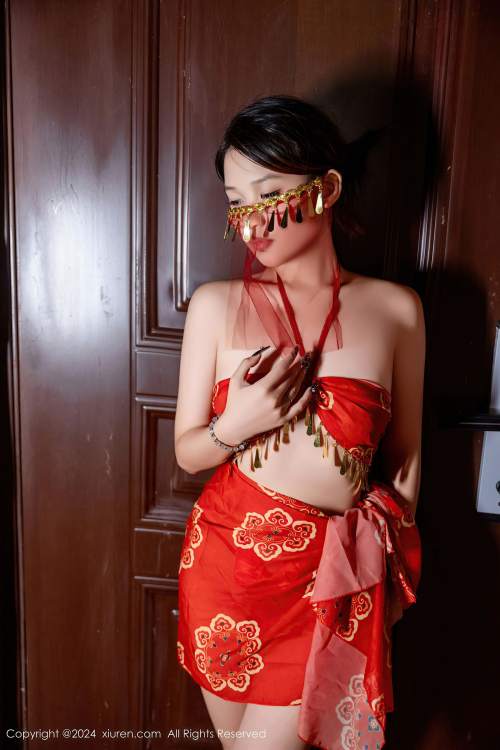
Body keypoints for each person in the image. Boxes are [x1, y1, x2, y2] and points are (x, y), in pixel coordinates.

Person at [174, 94, 424, 750]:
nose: (249, 221)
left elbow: (406, 457)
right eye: (236, 202)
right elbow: (189, 452)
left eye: (267, 194)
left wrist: (386, 575)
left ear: (328, 189)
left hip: (329, 580)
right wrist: (238, 423)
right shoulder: (215, 305)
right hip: (226, 565)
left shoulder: (397, 311)